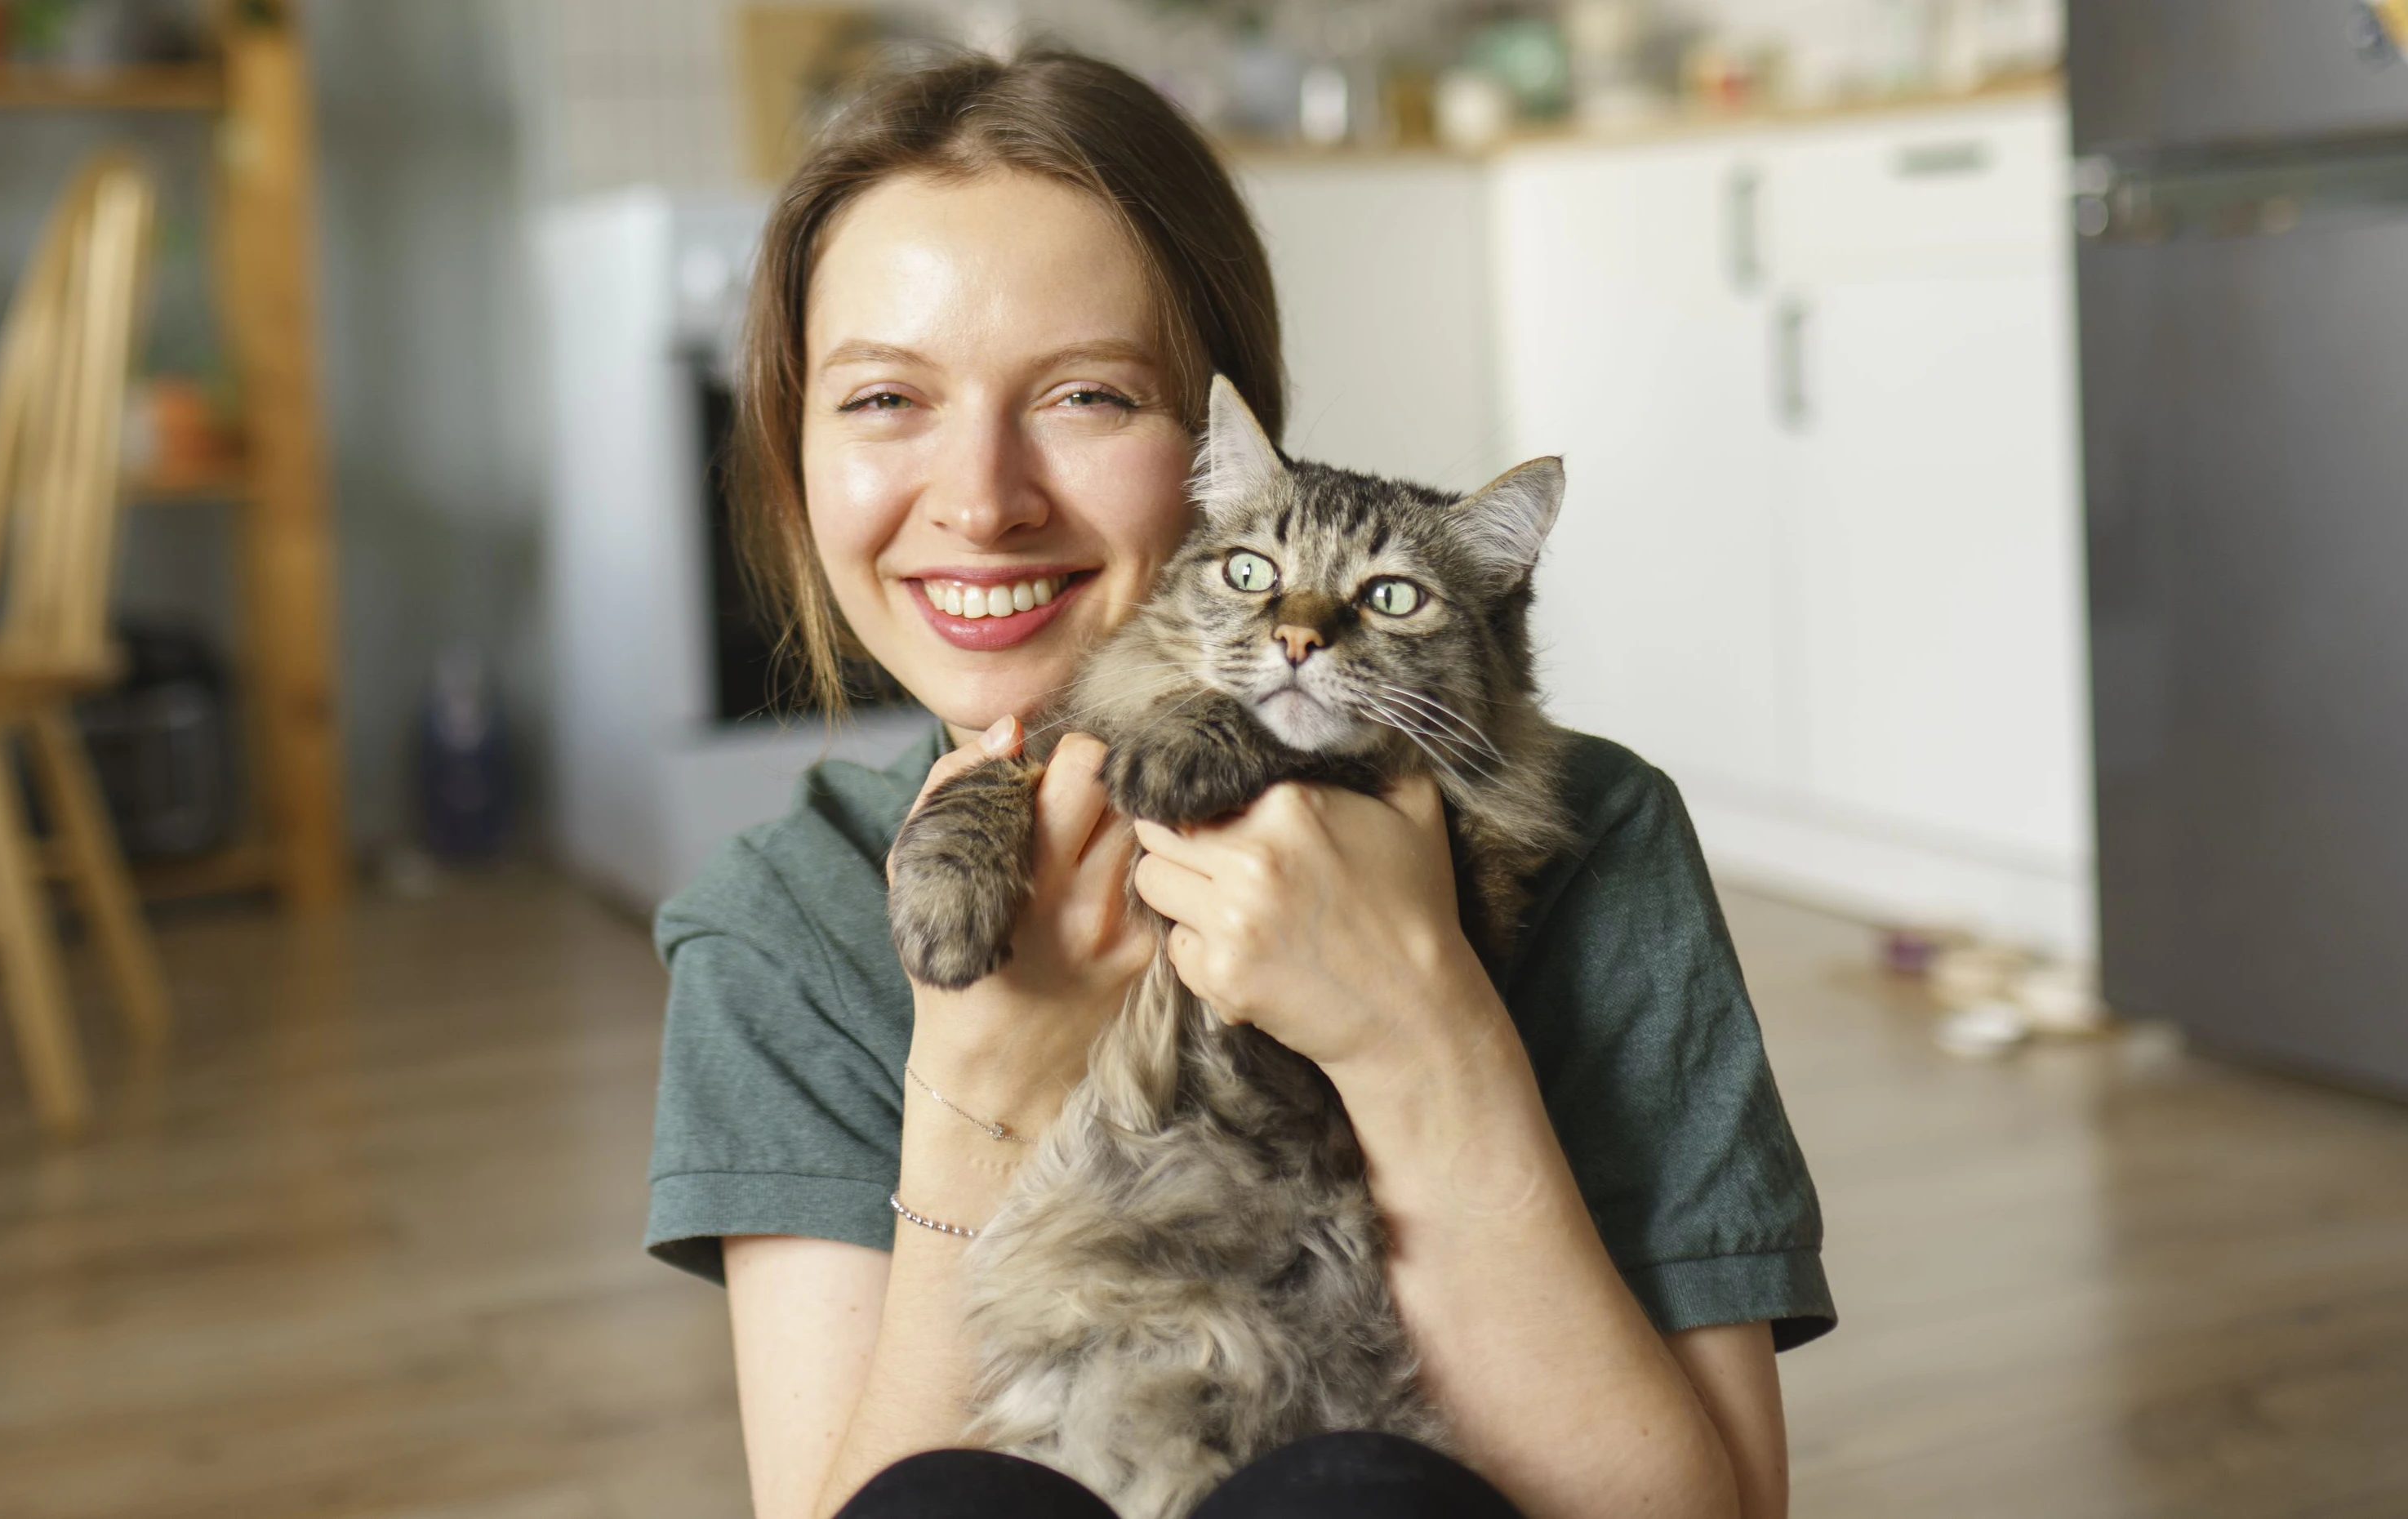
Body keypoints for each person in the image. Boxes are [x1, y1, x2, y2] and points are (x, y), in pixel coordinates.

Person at [644, 47, 1834, 1519]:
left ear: (1221, 455)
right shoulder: (782, 922)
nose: (979, 500)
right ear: (790, 451)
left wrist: (1422, 1037)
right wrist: (975, 1090)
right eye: (885, 399)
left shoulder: (1600, 836)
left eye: (1085, 395)